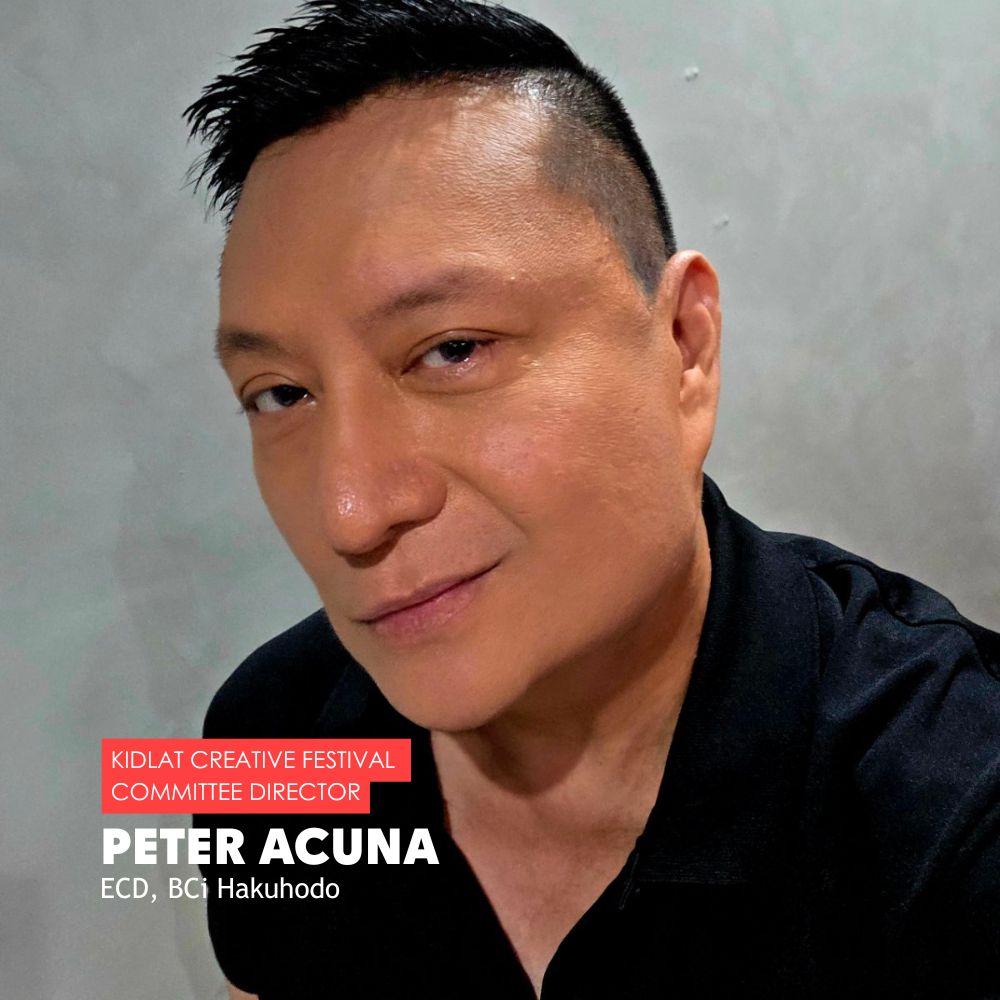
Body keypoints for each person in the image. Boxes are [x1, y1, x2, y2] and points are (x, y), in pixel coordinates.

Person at [185, 1, 1000, 997]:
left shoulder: (955, 800)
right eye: (280, 394)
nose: (350, 512)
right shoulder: (265, 735)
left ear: (683, 346)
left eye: (452, 350)